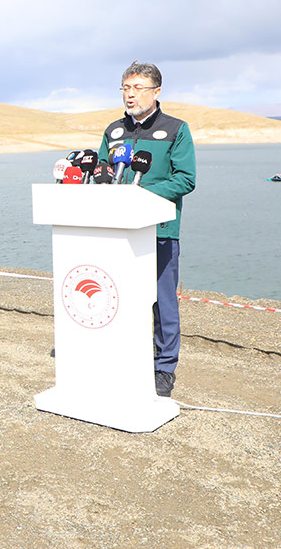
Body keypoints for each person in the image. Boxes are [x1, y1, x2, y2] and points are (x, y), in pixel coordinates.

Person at [98, 61, 196, 398]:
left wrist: (140, 197)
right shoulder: (113, 132)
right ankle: (123, 358)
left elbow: (185, 179)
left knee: (162, 304)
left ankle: (164, 369)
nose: (130, 94)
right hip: (118, 232)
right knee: (118, 297)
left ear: (156, 91)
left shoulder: (175, 129)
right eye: (125, 88)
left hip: (160, 232)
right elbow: (102, 173)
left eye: (138, 88)